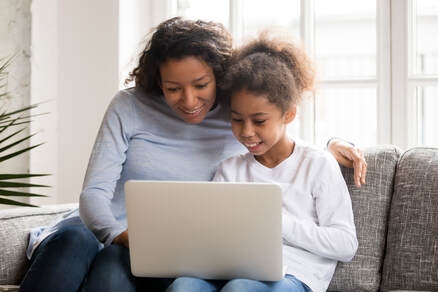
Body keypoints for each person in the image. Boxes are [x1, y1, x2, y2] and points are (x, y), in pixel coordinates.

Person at [20, 17, 365, 292]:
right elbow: (94, 194)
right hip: (113, 234)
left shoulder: (234, 113)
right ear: (158, 81)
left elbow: (274, 131)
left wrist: (331, 145)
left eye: (201, 85)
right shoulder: (129, 106)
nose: (188, 101)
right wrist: (124, 237)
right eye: (173, 88)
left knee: (114, 269)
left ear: (219, 76)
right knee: (77, 242)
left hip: (176, 251)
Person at [166, 33, 358, 292]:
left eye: (259, 121)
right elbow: (212, 233)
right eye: (236, 119)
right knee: (183, 286)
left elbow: (345, 244)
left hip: (294, 275)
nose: (246, 132)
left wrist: (278, 223)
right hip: (233, 268)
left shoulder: (318, 164)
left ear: (288, 115)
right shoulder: (230, 170)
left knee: (240, 289)